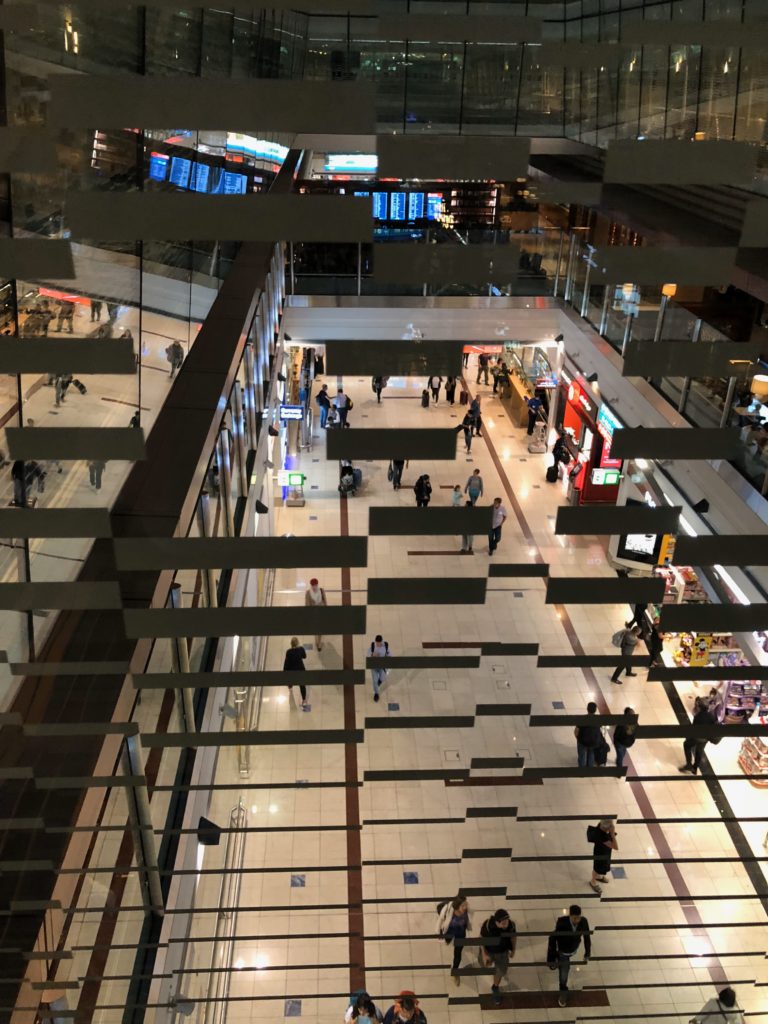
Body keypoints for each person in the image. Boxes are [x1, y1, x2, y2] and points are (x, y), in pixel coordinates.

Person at [547, 905, 591, 1007]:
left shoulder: (583, 922)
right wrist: (551, 958)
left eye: (578, 917)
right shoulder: (562, 923)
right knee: (563, 974)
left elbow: (587, 937)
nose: (577, 920)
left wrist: (587, 953)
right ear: (570, 916)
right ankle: (563, 992)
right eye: (574, 918)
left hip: (573, 948)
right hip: (563, 951)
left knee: (564, 969)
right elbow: (553, 938)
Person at [479, 908, 516, 1007]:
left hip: (503, 953)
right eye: (503, 923)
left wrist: (513, 950)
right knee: (484, 964)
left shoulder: (511, 926)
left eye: (506, 922)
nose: (506, 924)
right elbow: (481, 939)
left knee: (500, 972)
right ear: (497, 922)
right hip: (489, 951)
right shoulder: (488, 926)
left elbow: (513, 937)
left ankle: (495, 987)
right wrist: (484, 954)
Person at [438, 895, 472, 986]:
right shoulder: (448, 909)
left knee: (458, 954)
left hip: (460, 934)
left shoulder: (467, 911)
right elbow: (440, 920)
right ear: (457, 906)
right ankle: (448, 940)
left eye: (466, 904)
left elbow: (469, 919)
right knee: (447, 941)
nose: (466, 907)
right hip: (449, 931)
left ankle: (455, 972)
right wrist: (439, 933)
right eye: (463, 905)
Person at [679, 695, 717, 775]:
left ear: (699, 707)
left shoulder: (698, 716)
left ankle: (689, 765)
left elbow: (694, 729)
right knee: (699, 751)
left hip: (697, 737)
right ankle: (695, 768)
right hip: (706, 738)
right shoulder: (712, 716)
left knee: (686, 744)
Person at [589, 818, 618, 894]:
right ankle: (593, 881)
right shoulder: (602, 837)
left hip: (603, 850)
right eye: (611, 826)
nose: (612, 827)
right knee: (597, 867)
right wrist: (612, 834)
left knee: (603, 865)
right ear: (607, 828)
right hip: (600, 853)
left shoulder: (600, 826)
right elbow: (615, 847)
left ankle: (599, 877)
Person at [283, 636, 307, 708]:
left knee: (291, 680)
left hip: (291, 670)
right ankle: (304, 700)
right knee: (302, 685)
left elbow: (286, 663)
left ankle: (290, 687)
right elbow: (304, 656)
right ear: (297, 643)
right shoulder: (301, 649)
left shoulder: (288, 652)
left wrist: (285, 671)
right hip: (300, 670)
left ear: (291, 644)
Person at [575, 702, 601, 768]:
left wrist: (578, 739)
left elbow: (576, 731)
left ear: (587, 709)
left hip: (583, 741)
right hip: (594, 741)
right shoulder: (599, 719)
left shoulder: (582, 719)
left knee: (582, 756)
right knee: (591, 754)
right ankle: (590, 767)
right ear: (595, 710)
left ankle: (582, 770)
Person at [305, 578, 327, 651]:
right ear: (311, 585)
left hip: (321, 612)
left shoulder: (321, 590)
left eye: (315, 585)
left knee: (320, 628)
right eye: (313, 586)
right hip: (313, 614)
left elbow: (325, 601)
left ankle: (319, 643)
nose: (314, 587)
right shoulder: (308, 593)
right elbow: (307, 605)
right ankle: (316, 638)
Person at [369, 634, 390, 702]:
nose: (377, 644)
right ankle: (376, 694)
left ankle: (379, 682)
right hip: (374, 667)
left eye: (379, 643)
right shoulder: (372, 646)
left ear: (381, 641)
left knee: (382, 678)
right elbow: (368, 656)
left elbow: (389, 655)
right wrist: (372, 655)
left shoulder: (385, 646)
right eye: (376, 643)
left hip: (382, 667)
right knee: (375, 681)